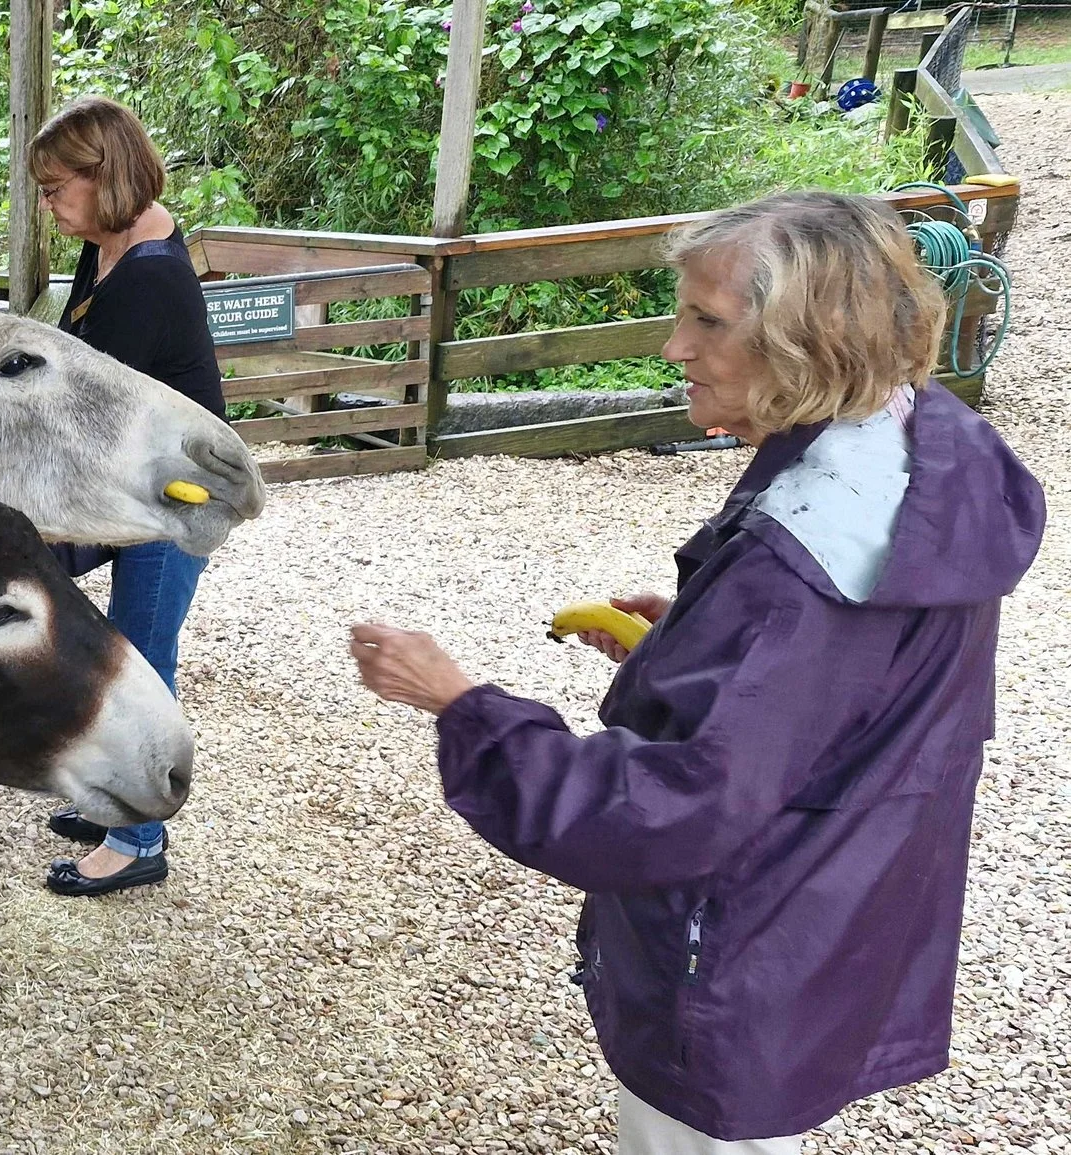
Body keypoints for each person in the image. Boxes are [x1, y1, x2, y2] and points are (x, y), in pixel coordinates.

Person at [348, 191, 1045, 1152]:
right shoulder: (921, 456)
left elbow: (674, 810)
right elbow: (843, 689)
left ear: (812, 342)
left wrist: (464, 704)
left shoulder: (799, 572)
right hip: (832, 918)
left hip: (743, 956)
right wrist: (698, 637)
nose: (674, 346)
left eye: (707, 321)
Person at [27, 96, 226, 897]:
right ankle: (115, 801)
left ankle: (140, 836)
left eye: (55, 187)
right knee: (114, 644)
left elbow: (81, 412)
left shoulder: (151, 279)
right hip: (138, 485)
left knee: (140, 655)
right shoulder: (111, 244)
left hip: (176, 499)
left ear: (102, 176)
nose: (48, 204)